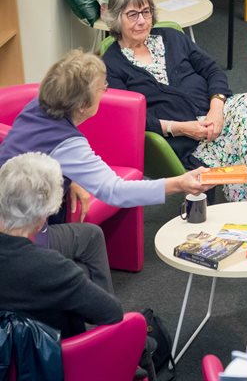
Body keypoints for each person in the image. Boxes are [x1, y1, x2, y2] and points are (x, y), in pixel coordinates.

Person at [0, 50, 209, 265]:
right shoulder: (68, 143)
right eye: (103, 88)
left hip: (8, 204)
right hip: (19, 235)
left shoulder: (37, 106)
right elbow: (114, 191)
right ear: (82, 105)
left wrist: (67, 176)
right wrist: (179, 183)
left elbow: (34, 153)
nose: (105, 91)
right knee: (91, 236)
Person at [102, 0, 247, 202]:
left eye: (146, 12)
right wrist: (181, 128)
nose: (142, 21)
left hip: (216, 119)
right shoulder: (112, 64)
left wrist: (217, 108)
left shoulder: (171, 38)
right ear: (117, 19)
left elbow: (212, 70)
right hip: (185, 142)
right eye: (133, 15)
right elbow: (132, 120)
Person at [0, 153, 123, 338]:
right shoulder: (53, 268)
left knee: (82, 266)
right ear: (42, 219)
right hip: (54, 357)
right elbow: (113, 313)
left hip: (9, 352)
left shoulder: (53, 268)